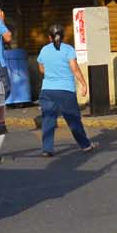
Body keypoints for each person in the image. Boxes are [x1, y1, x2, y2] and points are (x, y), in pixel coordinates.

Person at [36, 24, 94, 157]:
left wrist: (52, 74)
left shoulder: (44, 50)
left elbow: (41, 69)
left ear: (49, 37)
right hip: (65, 90)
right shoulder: (68, 49)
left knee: (48, 119)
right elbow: (74, 68)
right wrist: (83, 84)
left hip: (47, 90)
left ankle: (47, 149)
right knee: (73, 119)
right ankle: (85, 145)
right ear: (62, 36)